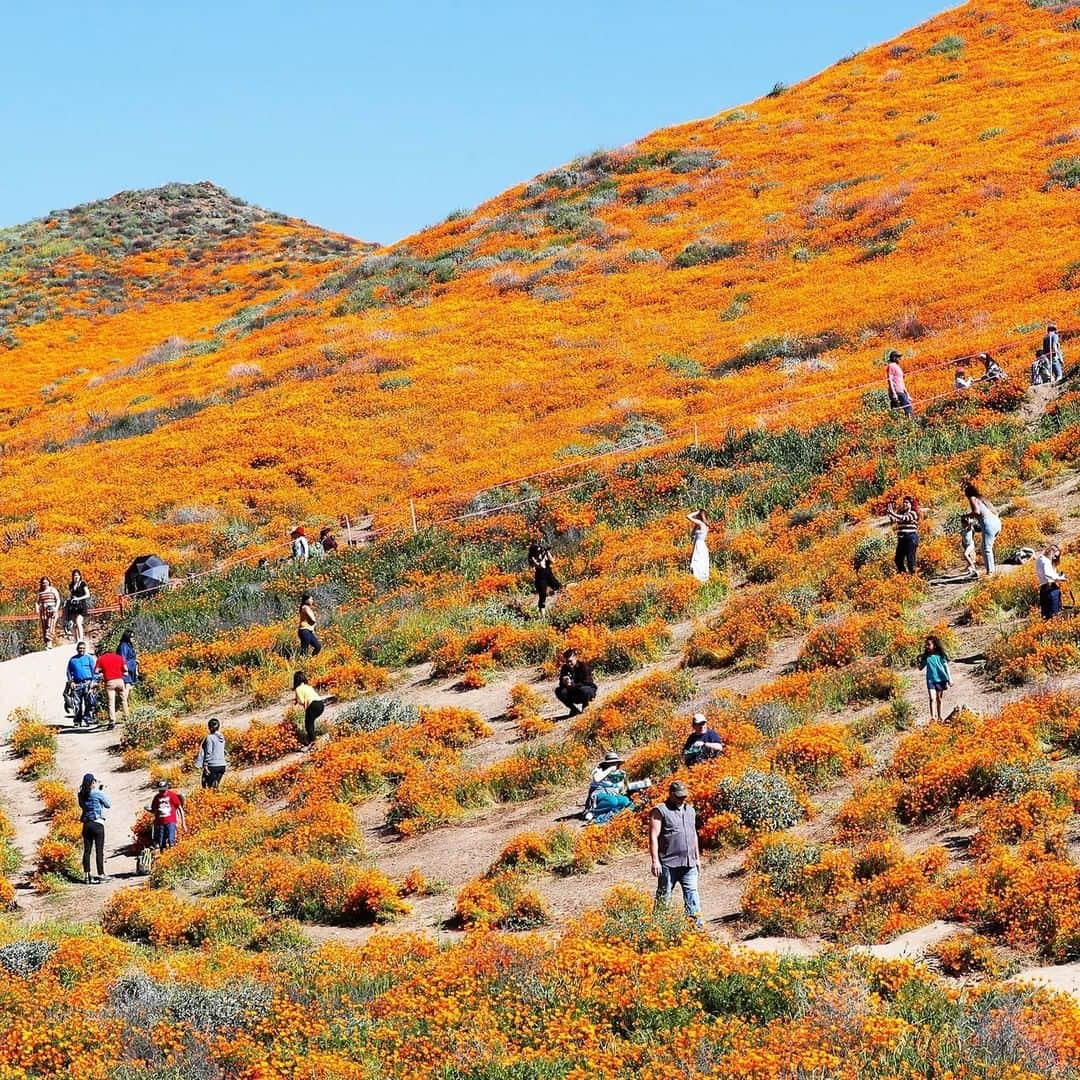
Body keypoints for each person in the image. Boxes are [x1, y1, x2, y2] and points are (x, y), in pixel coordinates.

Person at [649, 780, 702, 928]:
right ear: (670, 794)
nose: (681, 799)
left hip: (689, 862)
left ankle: (696, 928)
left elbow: (694, 835)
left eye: (683, 796)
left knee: (692, 895)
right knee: (664, 896)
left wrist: (697, 858)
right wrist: (655, 861)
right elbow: (653, 836)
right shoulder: (660, 811)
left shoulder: (690, 810)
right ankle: (658, 928)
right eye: (678, 796)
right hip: (668, 863)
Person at [585, 751, 651, 823]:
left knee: (625, 801)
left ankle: (609, 813)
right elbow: (596, 779)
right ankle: (593, 812)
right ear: (606, 764)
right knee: (612, 801)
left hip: (613, 794)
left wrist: (641, 784)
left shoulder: (620, 774)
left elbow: (624, 787)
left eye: (615, 763)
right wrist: (609, 769)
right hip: (599, 793)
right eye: (611, 763)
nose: (613, 765)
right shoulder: (600, 770)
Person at [77, 773, 110, 885]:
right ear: (93, 782)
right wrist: (101, 793)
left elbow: (82, 805)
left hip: (86, 824)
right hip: (97, 823)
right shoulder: (97, 793)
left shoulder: (80, 794)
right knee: (99, 851)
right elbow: (107, 804)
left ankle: (87, 876)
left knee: (87, 851)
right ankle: (101, 875)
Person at [964, 482, 1001, 576]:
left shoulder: (973, 498)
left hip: (988, 523)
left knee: (986, 548)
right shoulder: (982, 499)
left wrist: (966, 515)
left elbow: (976, 512)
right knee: (987, 548)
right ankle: (991, 570)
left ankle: (990, 573)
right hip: (996, 522)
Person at [917, 635, 952, 723]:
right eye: (926, 645)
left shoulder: (941, 656)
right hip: (930, 680)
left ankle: (939, 716)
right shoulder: (926, 657)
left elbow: (946, 666)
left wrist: (949, 679)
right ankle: (933, 717)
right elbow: (921, 668)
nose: (927, 646)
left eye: (929, 644)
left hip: (940, 679)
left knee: (939, 699)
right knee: (932, 698)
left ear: (934, 645)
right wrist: (918, 661)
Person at [94, 645, 129, 730]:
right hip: (120, 681)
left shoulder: (101, 659)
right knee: (124, 700)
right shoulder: (119, 657)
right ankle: (127, 718)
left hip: (110, 682)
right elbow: (126, 669)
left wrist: (103, 670)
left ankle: (112, 721)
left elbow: (96, 671)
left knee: (111, 703)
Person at [554, 648, 597, 717]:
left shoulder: (583, 666)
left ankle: (586, 705)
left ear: (575, 658)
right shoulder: (564, 668)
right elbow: (560, 684)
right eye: (567, 662)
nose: (569, 663)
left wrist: (573, 684)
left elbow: (588, 682)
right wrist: (564, 683)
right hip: (573, 693)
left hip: (586, 692)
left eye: (570, 661)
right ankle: (574, 710)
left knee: (585, 690)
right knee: (559, 691)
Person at [65, 641, 98, 727]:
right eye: (80, 648)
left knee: (89, 702)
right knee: (77, 704)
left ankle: (88, 719)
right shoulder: (73, 660)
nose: (81, 650)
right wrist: (71, 681)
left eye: (83, 648)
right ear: (77, 649)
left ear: (85, 649)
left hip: (88, 683)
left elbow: (94, 671)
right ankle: (77, 721)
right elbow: (68, 672)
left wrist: (93, 681)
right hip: (77, 684)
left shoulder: (89, 658)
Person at [527, 534, 561, 615]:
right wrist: (536, 562)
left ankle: (559, 607)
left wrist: (547, 552)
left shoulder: (543, 554)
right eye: (538, 552)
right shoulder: (533, 559)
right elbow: (539, 567)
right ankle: (543, 616)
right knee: (542, 595)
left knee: (558, 587)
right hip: (540, 578)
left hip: (549, 574)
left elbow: (553, 561)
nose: (539, 553)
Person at [886, 495, 920, 575]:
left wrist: (893, 513)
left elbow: (904, 518)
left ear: (911, 504)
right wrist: (890, 514)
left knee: (910, 560)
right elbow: (895, 520)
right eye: (904, 502)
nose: (905, 504)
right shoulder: (902, 513)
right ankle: (904, 576)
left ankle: (914, 578)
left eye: (907, 502)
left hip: (911, 538)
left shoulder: (913, 513)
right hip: (902, 539)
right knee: (898, 559)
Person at [149, 778, 186, 851]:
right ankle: (164, 857)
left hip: (171, 821)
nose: (162, 792)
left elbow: (180, 808)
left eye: (163, 790)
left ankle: (172, 855)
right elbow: (154, 809)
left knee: (171, 840)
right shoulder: (156, 798)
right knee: (161, 843)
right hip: (160, 823)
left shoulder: (172, 795)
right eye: (160, 790)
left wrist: (183, 823)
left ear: (167, 788)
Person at [293, 671, 327, 746]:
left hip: (313, 705)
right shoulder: (308, 686)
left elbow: (301, 701)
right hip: (320, 704)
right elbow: (307, 695)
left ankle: (313, 742)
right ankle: (312, 738)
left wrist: (297, 701)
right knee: (310, 722)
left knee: (308, 724)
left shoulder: (298, 688)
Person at [1035, 544, 1067, 619]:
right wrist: (1060, 578)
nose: (1055, 558)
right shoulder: (1046, 561)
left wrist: (1057, 575)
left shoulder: (1040, 559)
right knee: (1054, 614)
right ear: (1051, 552)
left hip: (1043, 589)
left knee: (1045, 615)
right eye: (1055, 555)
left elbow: (1046, 574)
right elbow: (1048, 574)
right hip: (1051, 589)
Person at [194, 718, 228, 789]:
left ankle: (210, 799)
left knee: (205, 785)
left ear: (210, 727)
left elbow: (208, 752)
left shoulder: (210, 737)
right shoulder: (222, 737)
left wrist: (205, 765)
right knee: (215, 786)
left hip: (212, 765)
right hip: (222, 765)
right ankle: (217, 798)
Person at [35, 576, 62, 649]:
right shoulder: (40, 592)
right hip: (43, 611)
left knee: (50, 626)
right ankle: (47, 643)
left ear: (49, 582)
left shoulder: (53, 590)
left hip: (52, 610)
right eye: (43, 583)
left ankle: (49, 643)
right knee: (45, 627)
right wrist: (37, 609)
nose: (45, 584)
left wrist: (56, 608)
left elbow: (58, 599)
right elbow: (37, 602)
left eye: (46, 582)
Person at [65, 570, 91, 644]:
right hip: (73, 606)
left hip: (81, 606)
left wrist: (79, 598)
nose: (76, 577)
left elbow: (88, 594)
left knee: (78, 622)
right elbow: (70, 595)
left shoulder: (83, 584)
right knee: (72, 623)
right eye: (74, 575)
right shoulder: (71, 585)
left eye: (77, 575)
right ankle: (76, 640)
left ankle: (81, 639)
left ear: (80, 576)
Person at [886, 350, 913, 418]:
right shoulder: (891, 366)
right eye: (898, 357)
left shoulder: (897, 366)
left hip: (901, 391)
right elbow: (890, 380)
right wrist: (894, 393)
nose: (900, 359)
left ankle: (898, 424)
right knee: (908, 408)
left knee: (896, 410)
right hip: (897, 392)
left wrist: (907, 393)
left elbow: (901, 381)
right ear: (894, 358)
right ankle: (911, 423)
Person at [687, 509, 711, 584]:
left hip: (699, 546)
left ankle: (699, 580)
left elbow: (688, 516)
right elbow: (692, 535)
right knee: (700, 562)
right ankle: (700, 580)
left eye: (697, 515)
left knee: (698, 562)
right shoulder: (702, 525)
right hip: (699, 545)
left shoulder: (701, 524)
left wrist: (697, 512)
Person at [959, 514, 979, 579]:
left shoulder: (968, 529)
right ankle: (971, 569)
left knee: (966, 555)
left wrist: (969, 519)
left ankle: (972, 566)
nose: (962, 525)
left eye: (963, 523)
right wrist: (963, 545)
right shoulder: (962, 530)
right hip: (966, 545)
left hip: (970, 545)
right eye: (962, 523)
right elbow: (963, 539)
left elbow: (970, 524)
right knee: (969, 557)